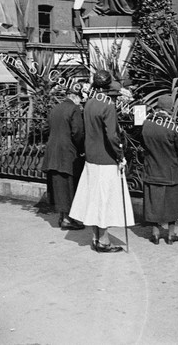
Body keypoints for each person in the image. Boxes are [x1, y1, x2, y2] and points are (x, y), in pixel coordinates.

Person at [69, 70, 135, 253]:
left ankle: (96, 237)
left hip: (91, 158)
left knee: (94, 199)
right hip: (106, 159)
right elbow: (112, 136)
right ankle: (104, 241)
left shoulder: (89, 103)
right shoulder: (108, 105)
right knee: (105, 201)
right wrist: (121, 156)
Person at [142, 94, 178, 244]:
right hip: (171, 173)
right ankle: (170, 235)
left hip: (152, 171)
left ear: (157, 107)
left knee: (154, 203)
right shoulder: (172, 126)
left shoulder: (146, 125)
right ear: (170, 109)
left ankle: (155, 234)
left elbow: (142, 144)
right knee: (172, 204)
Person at [42, 87, 85, 230]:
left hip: (53, 153)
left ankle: (62, 216)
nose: (81, 102)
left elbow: (48, 129)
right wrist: (81, 150)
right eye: (80, 98)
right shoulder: (74, 109)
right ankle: (67, 219)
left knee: (59, 185)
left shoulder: (55, 108)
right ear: (75, 97)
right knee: (68, 186)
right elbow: (77, 132)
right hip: (67, 153)